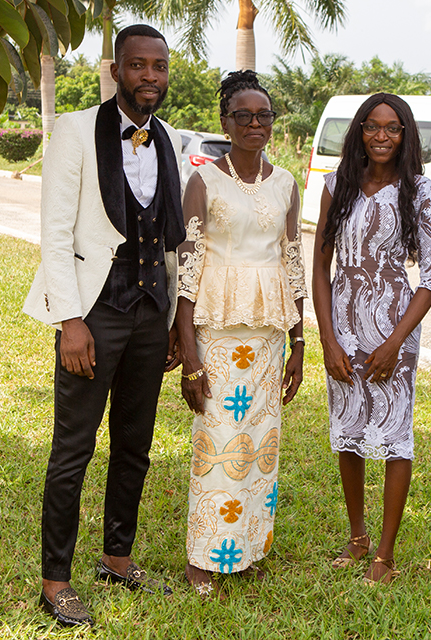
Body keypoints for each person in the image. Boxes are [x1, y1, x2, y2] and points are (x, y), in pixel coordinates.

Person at [22, 25, 185, 627]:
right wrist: (69, 320)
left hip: (151, 312)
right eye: (138, 65)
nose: (150, 76)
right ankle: (56, 581)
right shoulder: (74, 130)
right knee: (74, 448)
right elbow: (55, 231)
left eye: (159, 66)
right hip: (93, 312)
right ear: (116, 71)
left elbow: (168, 237)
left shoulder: (168, 138)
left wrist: (172, 319)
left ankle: (117, 558)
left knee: (135, 445)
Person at [175, 70, 306, 598]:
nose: (255, 124)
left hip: (270, 334)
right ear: (225, 122)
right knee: (218, 442)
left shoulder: (286, 183)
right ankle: (202, 557)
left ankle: (246, 548)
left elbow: (292, 260)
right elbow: (188, 265)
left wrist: (300, 343)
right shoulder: (204, 181)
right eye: (243, 116)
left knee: (260, 445)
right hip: (218, 331)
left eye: (264, 116)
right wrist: (189, 355)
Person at [312, 93, 431, 584]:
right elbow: (320, 267)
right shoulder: (337, 185)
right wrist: (327, 339)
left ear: (405, 135)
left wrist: (394, 343)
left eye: (392, 128)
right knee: (348, 429)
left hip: (394, 329)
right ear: (360, 132)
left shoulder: (421, 191)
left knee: (394, 437)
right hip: (342, 325)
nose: (381, 136)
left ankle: (384, 556)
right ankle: (357, 538)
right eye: (372, 126)